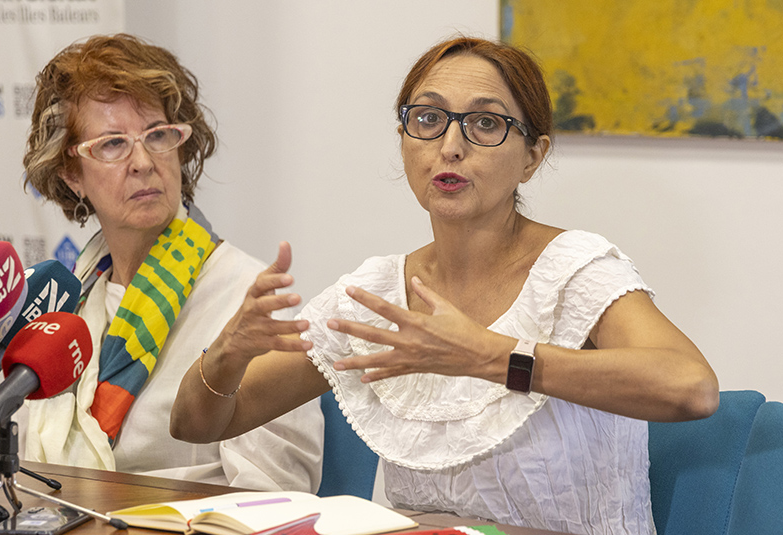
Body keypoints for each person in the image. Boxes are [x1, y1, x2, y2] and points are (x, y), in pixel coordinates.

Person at [170, 36, 719, 534]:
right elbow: (197, 424)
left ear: (533, 156)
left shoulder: (572, 269)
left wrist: (492, 357)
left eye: (486, 124)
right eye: (429, 118)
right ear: (404, 140)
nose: (451, 146)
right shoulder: (376, 295)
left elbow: (691, 387)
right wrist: (229, 350)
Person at [21, 33, 323, 492]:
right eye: (112, 144)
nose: (143, 161)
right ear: (71, 173)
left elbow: (276, 493)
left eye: (158, 135)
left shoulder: (249, 302)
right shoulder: (67, 298)